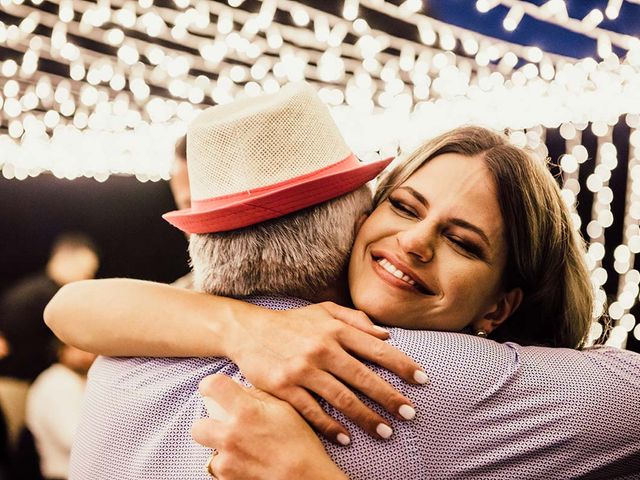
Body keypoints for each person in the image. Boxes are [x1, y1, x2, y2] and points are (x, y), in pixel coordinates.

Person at [46, 84, 640, 478]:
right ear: (357, 218)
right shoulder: (449, 382)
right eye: (405, 207)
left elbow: (71, 307)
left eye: (463, 242)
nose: (414, 240)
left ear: (499, 307)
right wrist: (245, 328)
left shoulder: (120, 363)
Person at [0, 233, 98, 449]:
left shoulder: (48, 294)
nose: (88, 277)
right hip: (15, 383)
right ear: (64, 259)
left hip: (35, 383)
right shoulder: (37, 295)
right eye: (86, 269)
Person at [25, 342, 95, 480]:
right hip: (63, 474)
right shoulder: (58, 383)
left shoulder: (75, 380)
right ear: (61, 351)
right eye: (79, 348)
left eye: (91, 348)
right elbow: (74, 439)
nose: (88, 355)